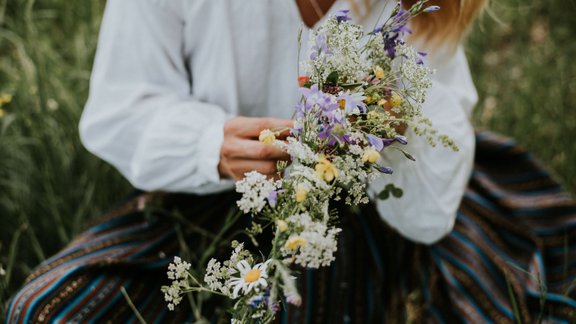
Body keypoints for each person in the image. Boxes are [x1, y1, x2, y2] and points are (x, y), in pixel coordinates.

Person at [6, 0, 576, 322]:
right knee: (47, 311)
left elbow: (425, 217)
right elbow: (117, 109)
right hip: (209, 203)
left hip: (369, 218)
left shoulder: (418, 8)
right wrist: (213, 145)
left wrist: (394, 128)